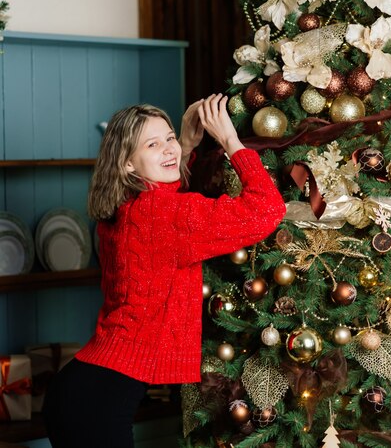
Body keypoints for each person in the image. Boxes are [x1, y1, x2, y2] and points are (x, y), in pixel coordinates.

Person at [43, 93, 286, 448]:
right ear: (127, 163)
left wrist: (186, 145)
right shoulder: (161, 215)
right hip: (98, 400)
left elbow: (169, 210)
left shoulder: (128, 206)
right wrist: (231, 140)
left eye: (169, 137)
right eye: (153, 144)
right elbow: (266, 209)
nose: (169, 148)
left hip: (82, 388)